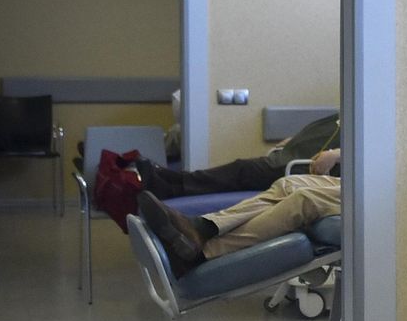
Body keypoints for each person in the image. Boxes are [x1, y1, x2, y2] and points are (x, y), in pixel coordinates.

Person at [135, 174, 340, 277]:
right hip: (363, 177)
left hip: (372, 193)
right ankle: (203, 227)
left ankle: (203, 251)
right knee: (288, 184)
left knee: (304, 199)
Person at [135, 113, 341, 198]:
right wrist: (296, 138)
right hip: (295, 155)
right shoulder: (357, 104)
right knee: (243, 170)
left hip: (306, 167)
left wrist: (336, 154)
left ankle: (173, 185)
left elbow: (372, 147)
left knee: (243, 169)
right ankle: (172, 181)